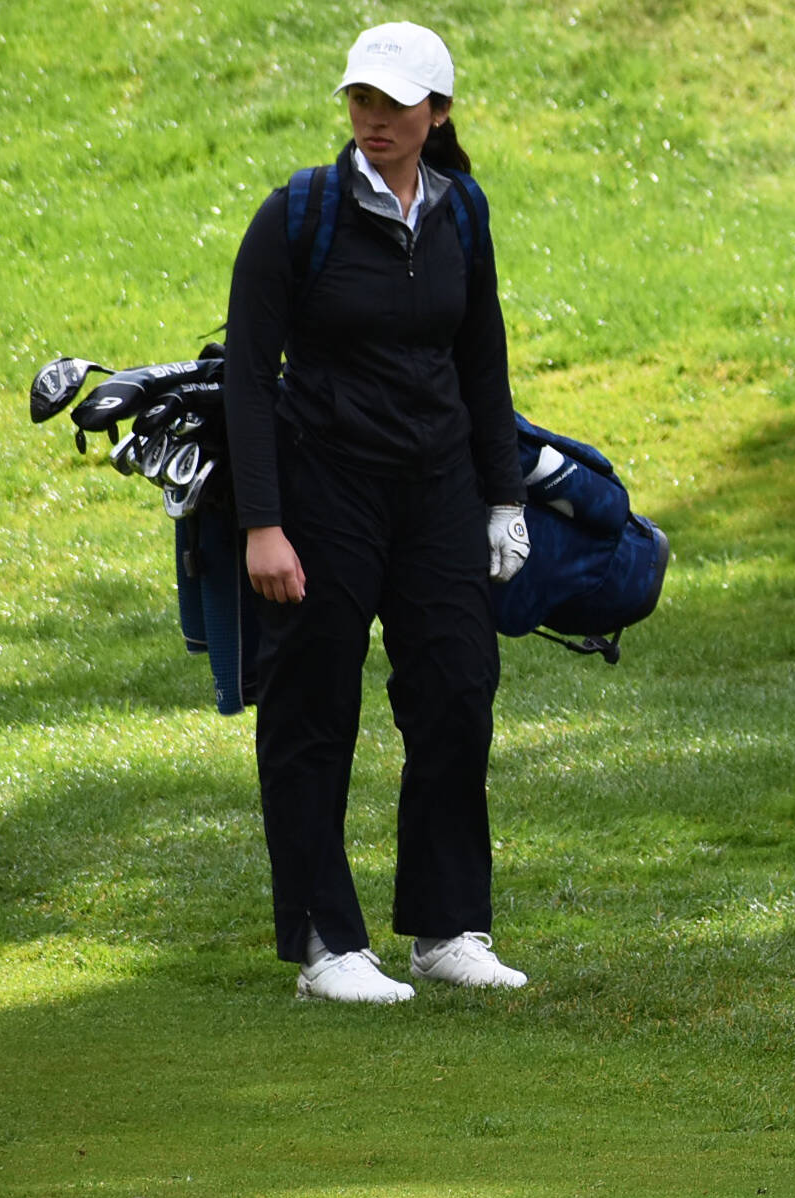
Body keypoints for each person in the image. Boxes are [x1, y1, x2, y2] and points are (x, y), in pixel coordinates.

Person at [225, 22, 533, 1002]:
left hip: (438, 488)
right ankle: (325, 943)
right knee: (314, 703)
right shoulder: (298, 214)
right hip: (325, 488)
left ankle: (447, 926)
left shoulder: (462, 212)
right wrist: (262, 522)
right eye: (361, 99)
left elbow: (481, 359)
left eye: (395, 104)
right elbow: (244, 375)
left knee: (456, 687)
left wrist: (503, 498)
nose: (373, 119)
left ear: (437, 112)